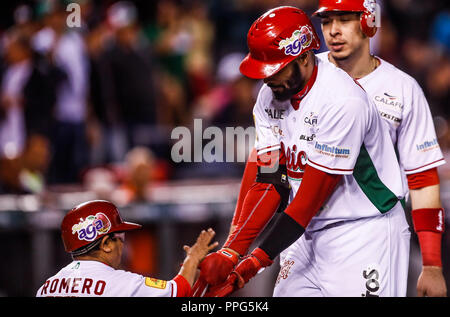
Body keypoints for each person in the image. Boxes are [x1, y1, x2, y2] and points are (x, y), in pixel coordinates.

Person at [193, 6, 410, 297]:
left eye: (275, 68)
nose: (267, 78)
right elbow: (269, 180)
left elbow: (309, 199)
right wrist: (232, 252)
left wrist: (252, 263)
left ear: (304, 56)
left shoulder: (342, 101)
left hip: (364, 231)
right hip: (303, 233)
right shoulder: (269, 97)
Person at [313, 0, 446, 297]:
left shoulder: (402, 88)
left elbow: (422, 177)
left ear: (369, 21)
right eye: (326, 21)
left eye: (344, 19)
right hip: (304, 231)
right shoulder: (304, 76)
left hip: (370, 234)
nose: (333, 31)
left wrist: (433, 264)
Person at [36, 200, 218, 297]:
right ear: (106, 244)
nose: (123, 245)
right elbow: (179, 291)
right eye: (120, 238)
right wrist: (192, 259)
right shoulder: (121, 283)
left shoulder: (46, 287)